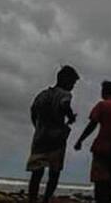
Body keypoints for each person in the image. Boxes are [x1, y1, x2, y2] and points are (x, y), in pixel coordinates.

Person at [26, 65, 80, 203]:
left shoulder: (41, 95)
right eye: (73, 83)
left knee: (36, 173)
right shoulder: (65, 94)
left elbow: (33, 113)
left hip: (40, 138)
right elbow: (65, 104)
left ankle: (32, 199)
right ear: (66, 80)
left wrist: (38, 128)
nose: (73, 86)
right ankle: (46, 199)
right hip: (56, 140)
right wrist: (70, 117)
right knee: (54, 173)